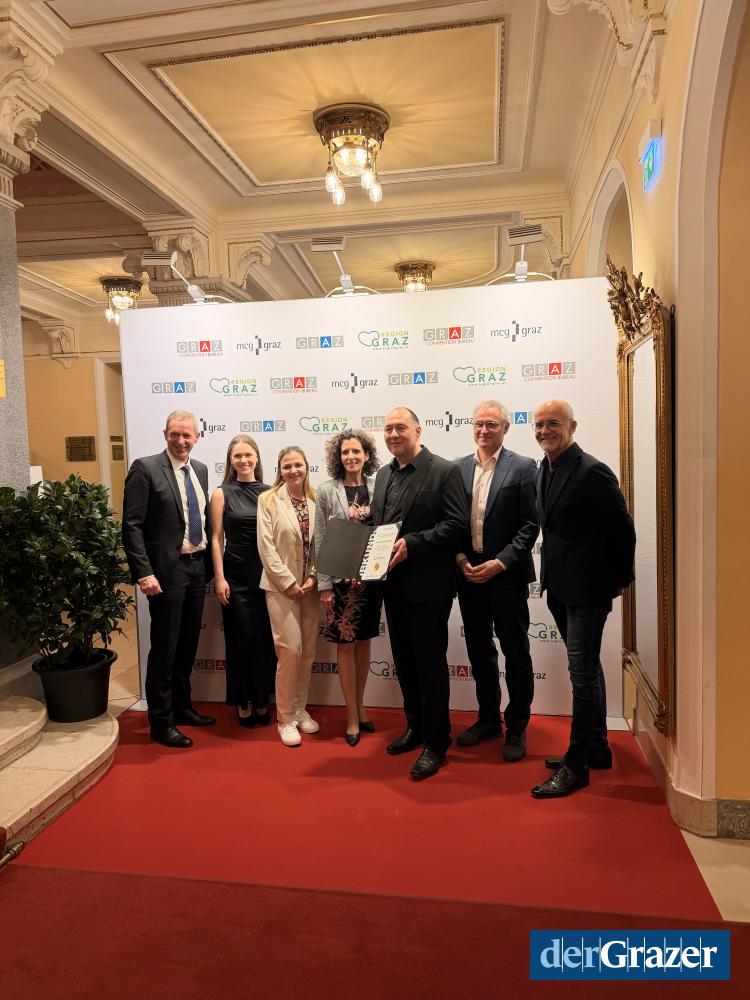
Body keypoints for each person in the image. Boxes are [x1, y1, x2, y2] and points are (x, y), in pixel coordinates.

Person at [530, 399, 635, 799]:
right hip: (558, 586)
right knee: (588, 667)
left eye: (553, 423)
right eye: (539, 424)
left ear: (572, 426)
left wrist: (620, 579)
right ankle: (597, 747)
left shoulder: (592, 471)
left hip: (588, 589)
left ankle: (576, 766)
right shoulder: (544, 469)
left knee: (581, 674)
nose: (545, 431)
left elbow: (622, 530)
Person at [371, 407, 468, 781]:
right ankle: (414, 725)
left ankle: (437, 742)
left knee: (429, 665)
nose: (393, 434)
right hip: (391, 585)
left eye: (400, 427)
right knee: (405, 663)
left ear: (417, 431)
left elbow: (456, 525)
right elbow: (381, 526)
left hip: (428, 587)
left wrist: (414, 542)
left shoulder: (443, 470)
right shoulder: (383, 475)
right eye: (388, 428)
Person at [122, 409, 215, 748]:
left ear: (197, 437)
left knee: (187, 644)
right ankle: (161, 721)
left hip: (197, 567)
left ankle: (182, 707)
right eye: (175, 434)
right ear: (165, 434)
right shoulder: (145, 468)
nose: (181, 440)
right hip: (165, 572)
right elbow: (131, 525)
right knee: (165, 647)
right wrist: (144, 572)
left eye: (187, 435)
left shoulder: (200, 470)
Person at [455, 401, 539, 762]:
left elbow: (530, 525)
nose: (484, 430)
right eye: (478, 424)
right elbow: (452, 522)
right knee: (479, 651)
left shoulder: (523, 467)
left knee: (515, 652)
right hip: (468, 575)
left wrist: (500, 563)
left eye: (491, 424)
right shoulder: (456, 469)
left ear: (505, 427)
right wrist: (460, 559)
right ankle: (488, 718)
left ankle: (517, 726)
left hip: (506, 576)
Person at [315, 430, 382, 747]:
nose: (351, 457)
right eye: (345, 452)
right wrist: (324, 585)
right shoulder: (327, 490)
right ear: (338, 457)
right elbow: (321, 538)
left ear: (367, 455)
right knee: (345, 645)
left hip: (372, 580)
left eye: (357, 451)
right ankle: (351, 715)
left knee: (364, 642)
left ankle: (361, 706)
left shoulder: (379, 486)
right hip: (340, 583)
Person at [209, 435, 276, 729]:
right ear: (230, 460)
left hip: (265, 576)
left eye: (248, 455)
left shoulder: (270, 492)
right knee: (240, 640)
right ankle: (242, 700)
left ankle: (262, 698)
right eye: (237, 456)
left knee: (263, 640)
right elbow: (216, 538)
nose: (243, 460)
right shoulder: (221, 493)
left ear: (257, 458)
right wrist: (220, 577)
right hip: (234, 577)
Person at [257, 446, 319, 748]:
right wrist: (288, 582)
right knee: (290, 650)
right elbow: (266, 546)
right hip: (281, 588)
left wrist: (313, 577)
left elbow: (322, 543)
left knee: (307, 652)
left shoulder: (316, 499)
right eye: (287, 466)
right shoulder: (268, 499)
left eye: (298, 465)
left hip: (311, 587)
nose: (293, 471)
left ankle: (299, 709)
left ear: (306, 467)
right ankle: (284, 718)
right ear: (279, 470)